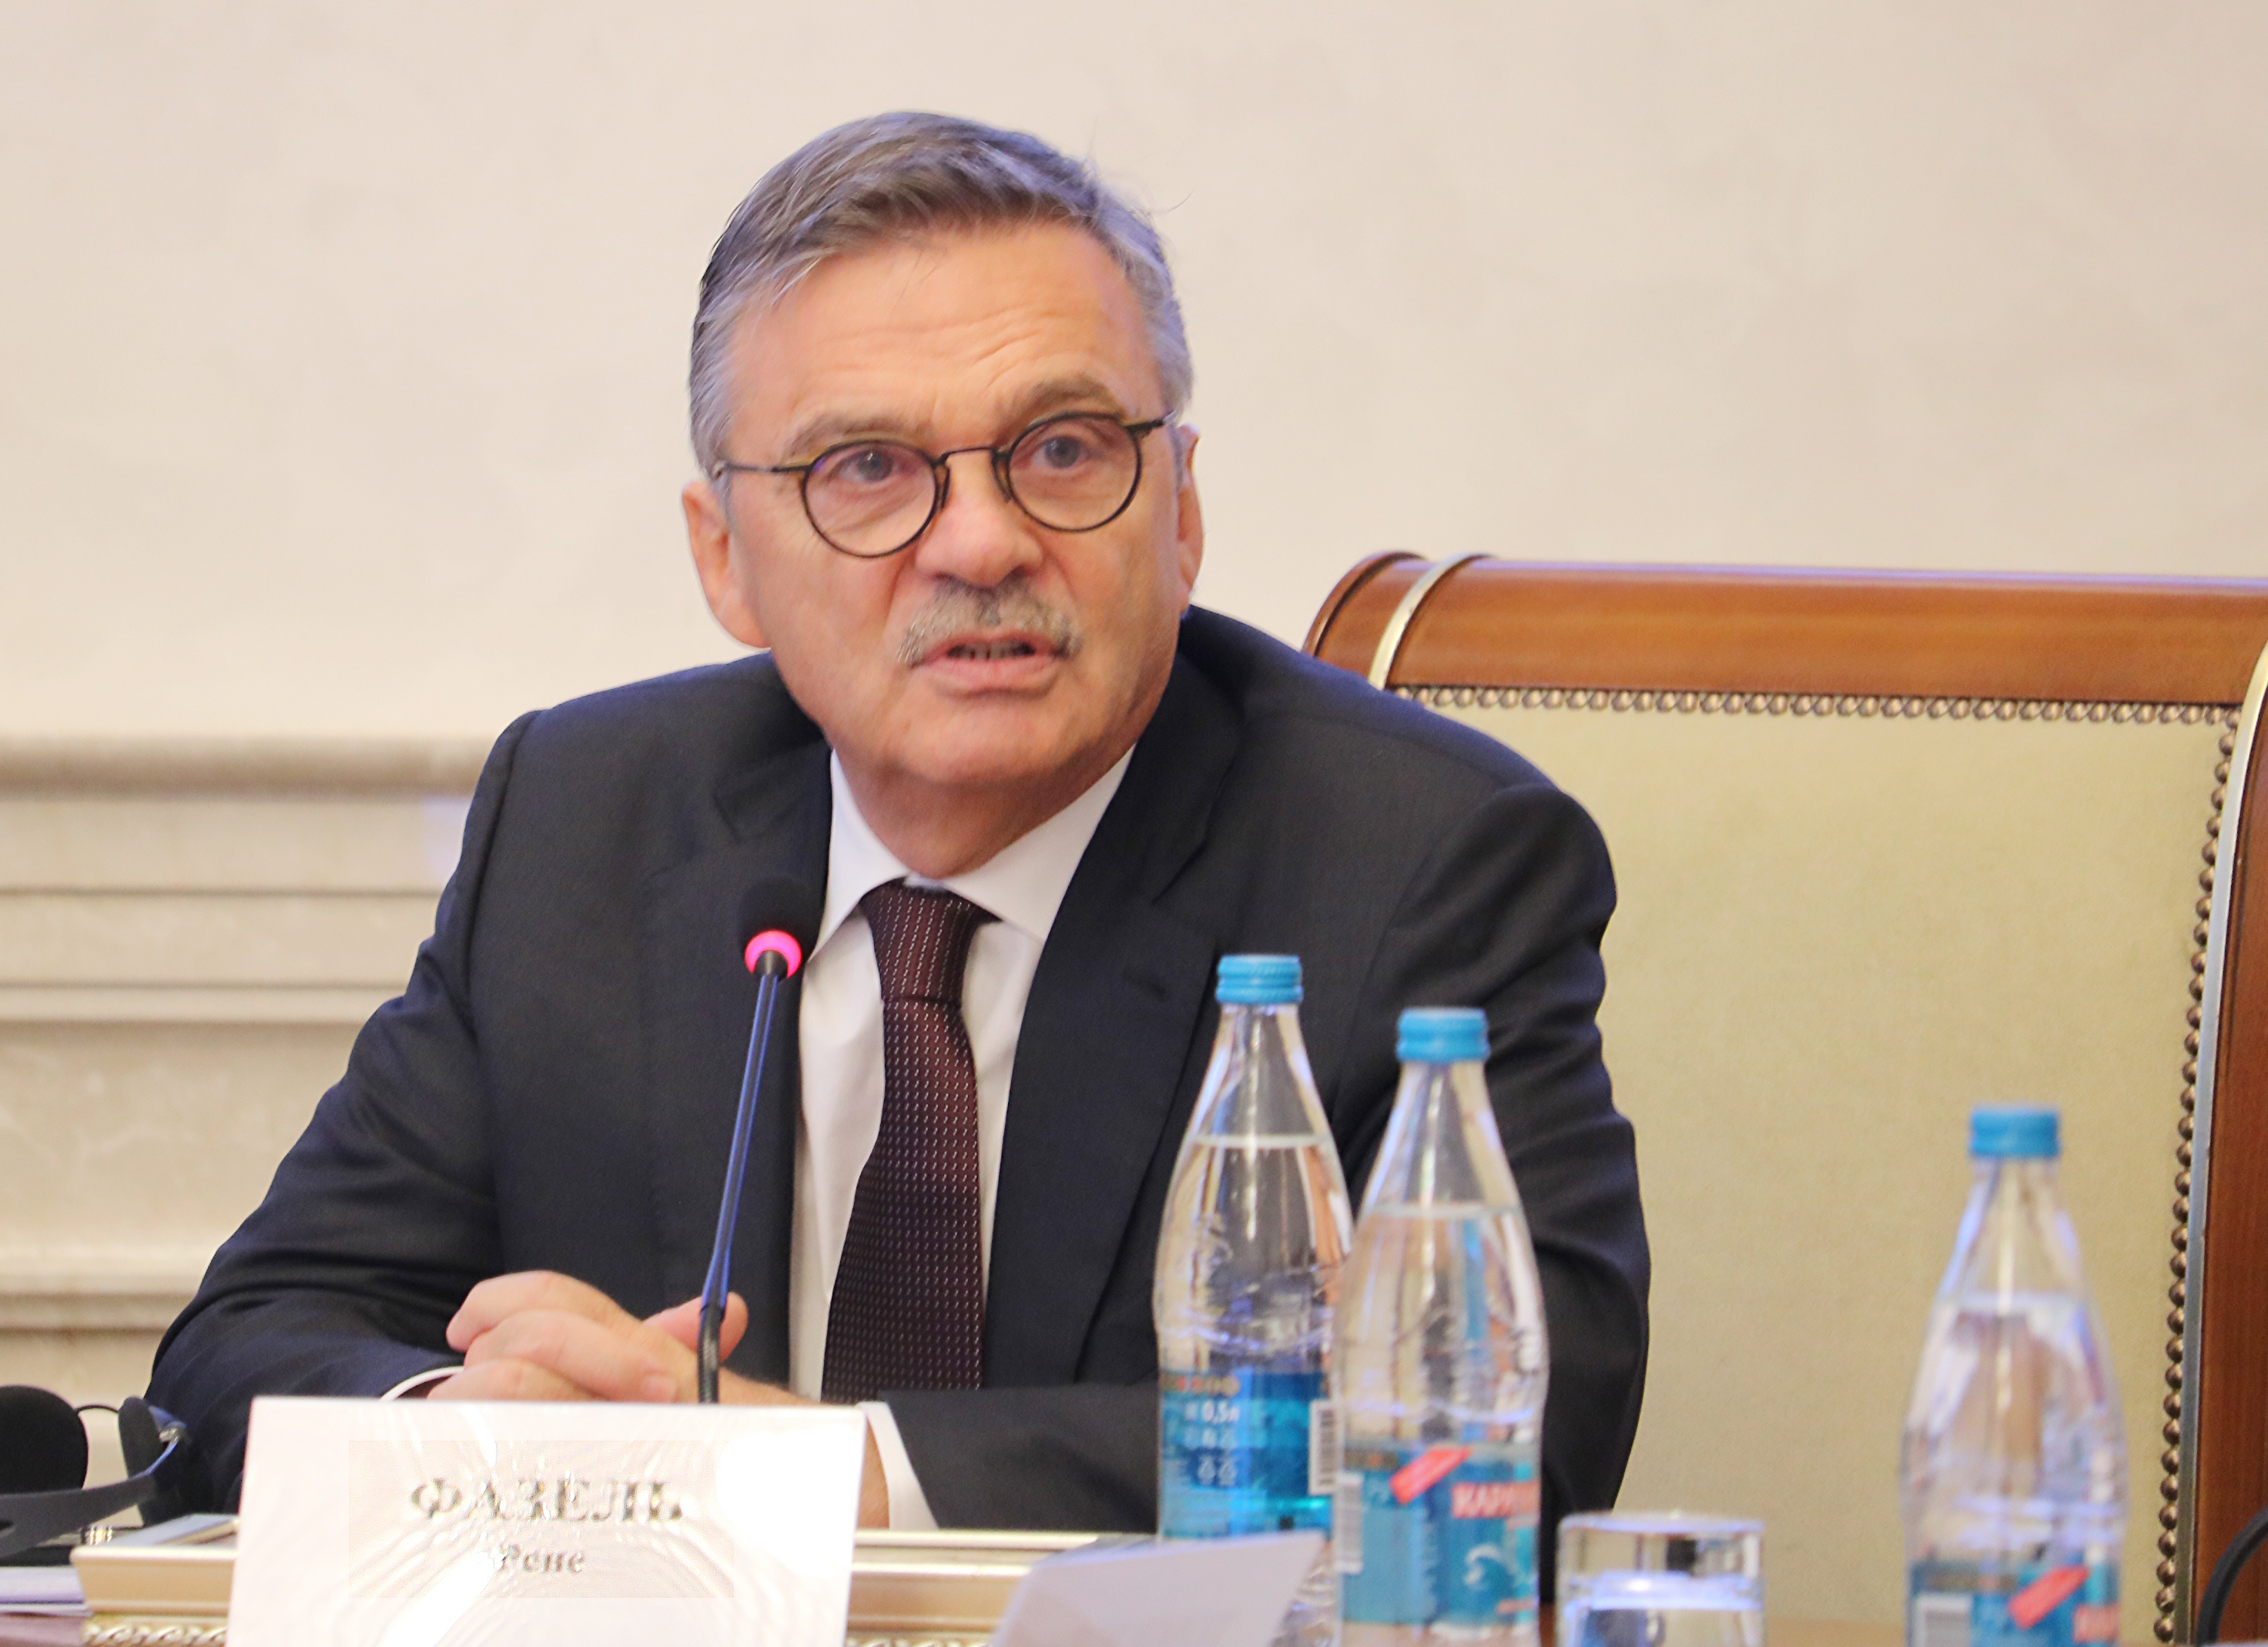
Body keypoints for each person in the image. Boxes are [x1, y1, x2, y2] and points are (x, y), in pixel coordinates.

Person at [150, 112, 1649, 1543]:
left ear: (1181, 508)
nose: (983, 542)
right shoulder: (585, 820)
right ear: (724, 559)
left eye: (1063, 449)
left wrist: (808, 1476)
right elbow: (251, 1343)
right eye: (866, 469)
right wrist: (476, 1436)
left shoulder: (1418, 861)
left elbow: (1507, 1435)